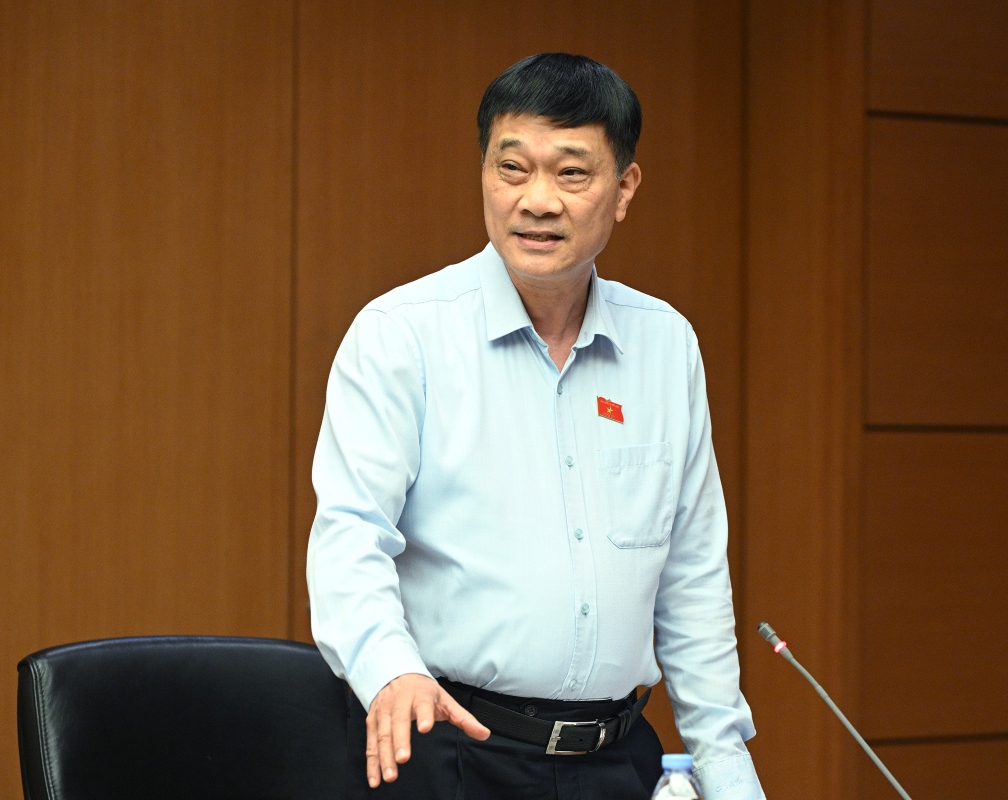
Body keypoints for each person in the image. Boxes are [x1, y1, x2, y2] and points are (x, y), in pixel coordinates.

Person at [307, 53, 765, 800]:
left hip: (617, 763)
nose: (537, 201)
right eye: (512, 169)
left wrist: (724, 764)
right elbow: (349, 537)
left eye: (571, 173)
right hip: (450, 752)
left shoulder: (665, 344)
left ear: (624, 188)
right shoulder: (403, 334)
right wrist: (390, 671)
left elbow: (691, 573)